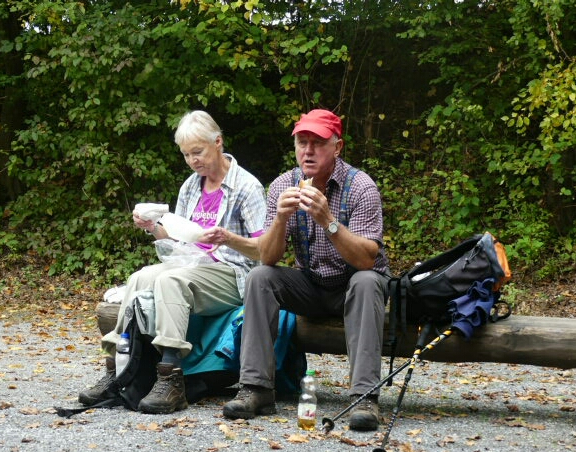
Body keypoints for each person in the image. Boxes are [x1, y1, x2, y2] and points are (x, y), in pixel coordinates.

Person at [79, 110, 266, 414]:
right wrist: (152, 226)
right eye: (186, 155)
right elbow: (180, 240)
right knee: (140, 278)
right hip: (193, 265)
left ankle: (171, 378)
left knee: (170, 281)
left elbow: (262, 250)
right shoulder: (191, 186)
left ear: (217, 142)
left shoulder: (247, 187)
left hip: (234, 273)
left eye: (198, 152)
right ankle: (116, 370)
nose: (193, 161)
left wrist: (228, 238)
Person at [222, 109, 390, 431]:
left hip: (353, 286)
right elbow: (268, 258)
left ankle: (365, 396)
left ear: (337, 147)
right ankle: (256, 388)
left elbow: (368, 259)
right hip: (312, 284)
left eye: (318, 143)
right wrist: (281, 219)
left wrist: (328, 221)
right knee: (260, 278)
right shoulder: (284, 185)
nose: (308, 151)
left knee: (368, 281)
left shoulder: (361, 187)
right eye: (302, 142)